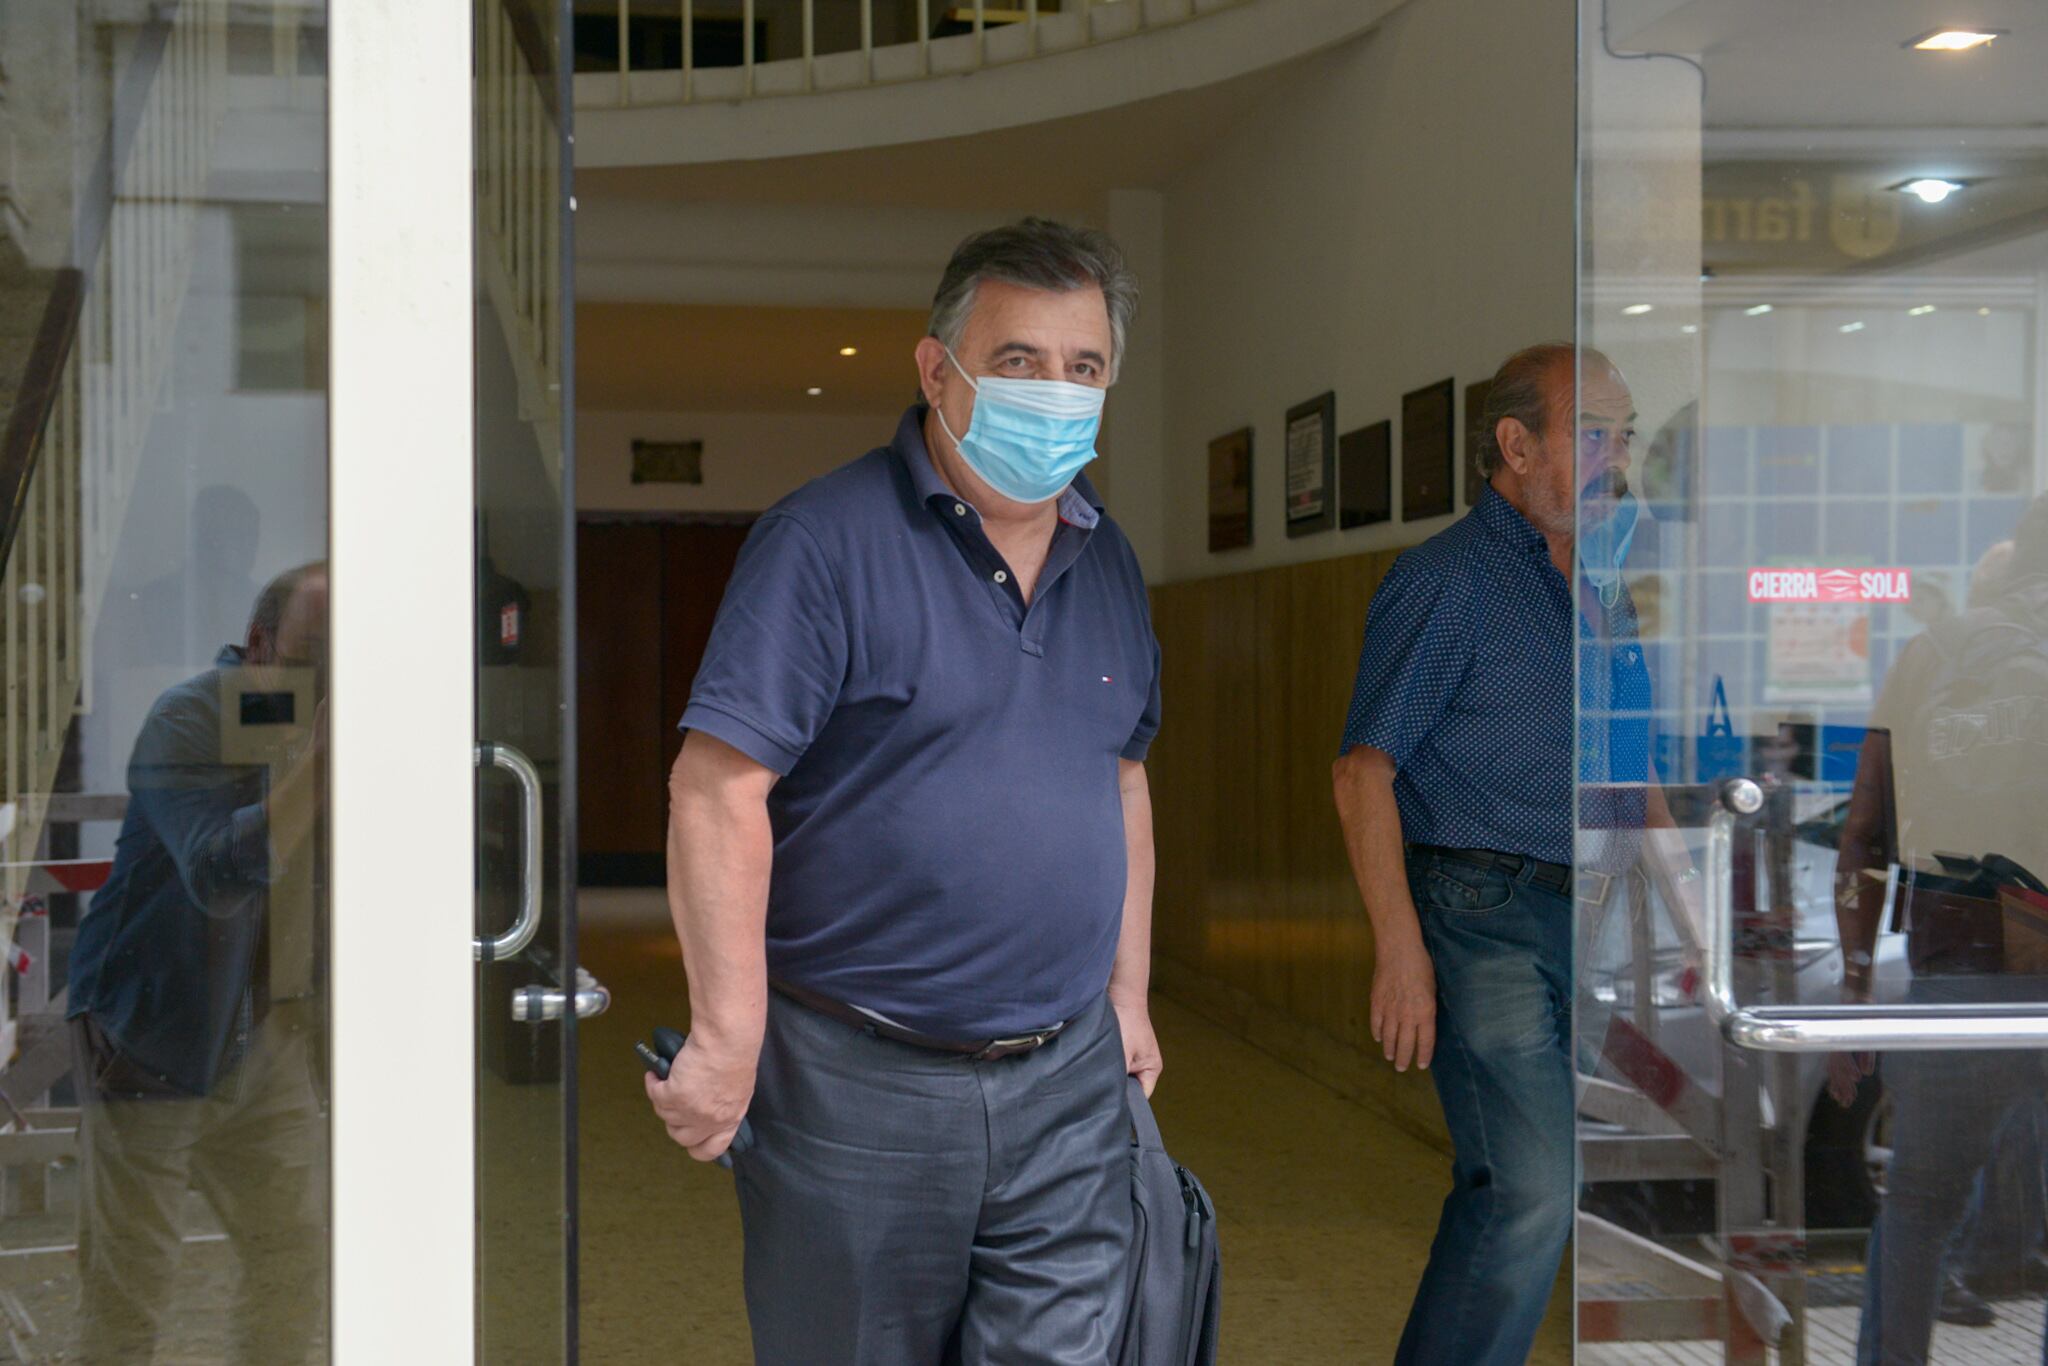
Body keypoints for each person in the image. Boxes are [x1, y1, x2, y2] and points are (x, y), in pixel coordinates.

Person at [644, 218, 1163, 1364]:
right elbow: (715, 789)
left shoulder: (1108, 557)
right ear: (938, 370)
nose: (1056, 393)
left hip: (1068, 1079)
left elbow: (1119, 783)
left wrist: (1126, 995)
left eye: (1084, 368)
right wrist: (728, 1040)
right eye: (1019, 360)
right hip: (855, 1086)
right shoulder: (819, 542)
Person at [1331, 343, 1694, 1364]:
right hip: (1479, 909)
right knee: (1530, 1186)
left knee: (1555, 1184)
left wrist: (1698, 925)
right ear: (1513, 443)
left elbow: (1637, 779)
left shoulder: (1603, 585)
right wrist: (1398, 950)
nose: (1615, 457)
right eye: (1593, 433)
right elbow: (1361, 774)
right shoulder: (1445, 581)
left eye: (1623, 434)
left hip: (1594, 914)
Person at [66, 562, 328, 1363]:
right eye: (315, 660)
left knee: (293, 1266)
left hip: (267, 1036)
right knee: (133, 1287)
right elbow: (219, 874)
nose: (329, 685)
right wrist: (324, 761)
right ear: (258, 645)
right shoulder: (189, 719)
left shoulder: (316, 725)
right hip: (151, 1033)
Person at [1832, 496, 2048, 1364]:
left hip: (1958, 977)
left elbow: (1865, 836)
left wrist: (1853, 997)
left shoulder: (1929, 654)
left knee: (1918, 1204)